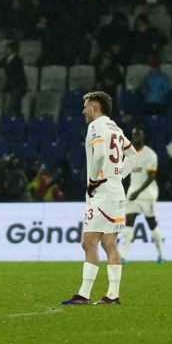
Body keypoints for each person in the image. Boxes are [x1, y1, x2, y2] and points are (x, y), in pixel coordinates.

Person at [61, 91, 139, 306]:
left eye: (86, 106)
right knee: (109, 243)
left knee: (89, 242)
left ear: (95, 107)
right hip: (116, 192)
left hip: (102, 193)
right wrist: (118, 176)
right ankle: (113, 295)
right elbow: (133, 156)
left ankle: (83, 294)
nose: (83, 111)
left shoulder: (96, 127)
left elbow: (101, 154)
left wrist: (94, 180)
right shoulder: (116, 128)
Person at [120, 127, 165, 264]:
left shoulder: (150, 155)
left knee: (151, 224)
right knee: (129, 221)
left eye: (139, 135)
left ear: (144, 137)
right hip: (133, 192)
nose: (136, 138)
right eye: (134, 135)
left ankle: (161, 255)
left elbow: (151, 177)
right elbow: (123, 173)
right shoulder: (129, 154)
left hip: (147, 194)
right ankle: (124, 256)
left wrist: (137, 192)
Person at [0, 42, 27, 116]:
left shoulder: (18, 60)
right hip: (11, 87)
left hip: (18, 86)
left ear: (13, 50)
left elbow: (17, 75)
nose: (6, 50)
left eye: (8, 49)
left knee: (10, 107)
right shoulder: (5, 59)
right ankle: (20, 122)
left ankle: (8, 119)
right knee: (17, 108)